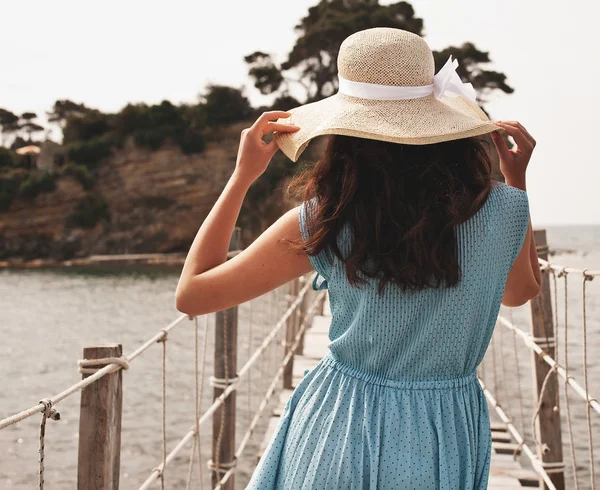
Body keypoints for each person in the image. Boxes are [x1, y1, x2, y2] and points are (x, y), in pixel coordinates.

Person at [175, 27, 542, 490]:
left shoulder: (328, 219)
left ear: (347, 133)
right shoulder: (504, 209)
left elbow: (192, 294)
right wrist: (517, 183)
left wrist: (242, 177)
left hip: (339, 427)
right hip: (443, 437)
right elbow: (519, 292)